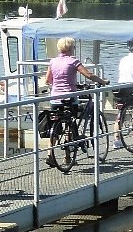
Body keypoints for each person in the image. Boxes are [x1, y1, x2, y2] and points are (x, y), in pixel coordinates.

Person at [44, 37, 109, 166]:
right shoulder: (73, 61)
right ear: (71, 48)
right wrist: (103, 81)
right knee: (70, 124)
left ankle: (50, 154)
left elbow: (48, 80)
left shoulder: (53, 61)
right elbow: (89, 75)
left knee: (55, 126)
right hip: (70, 98)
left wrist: (58, 83)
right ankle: (67, 158)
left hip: (55, 98)